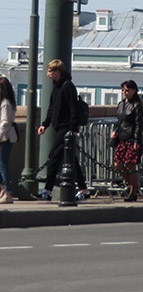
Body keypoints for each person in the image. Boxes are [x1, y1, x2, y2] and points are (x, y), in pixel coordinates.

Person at [38, 59, 87, 200]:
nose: (48, 74)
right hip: (59, 127)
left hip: (66, 128)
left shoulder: (67, 86)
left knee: (53, 157)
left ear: (57, 71)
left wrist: (72, 129)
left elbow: (73, 108)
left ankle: (47, 190)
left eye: (50, 71)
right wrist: (45, 124)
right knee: (71, 160)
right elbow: (52, 108)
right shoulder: (57, 86)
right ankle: (83, 189)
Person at [111, 80, 143, 202]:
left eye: (127, 90)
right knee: (117, 164)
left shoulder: (137, 105)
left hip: (131, 139)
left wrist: (136, 140)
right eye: (123, 90)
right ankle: (131, 184)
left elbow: (138, 124)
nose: (125, 92)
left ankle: (132, 191)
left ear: (134, 91)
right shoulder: (121, 104)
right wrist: (115, 131)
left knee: (131, 165)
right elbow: (119, 120)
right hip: (121, 138)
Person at [0, 76, 18, 204]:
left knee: (3, 165)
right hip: (5, 137)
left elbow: (5, 123)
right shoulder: (8, 102)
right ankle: (3, 189)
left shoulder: (5, 103)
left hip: (4, 138)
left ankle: (8, 192)